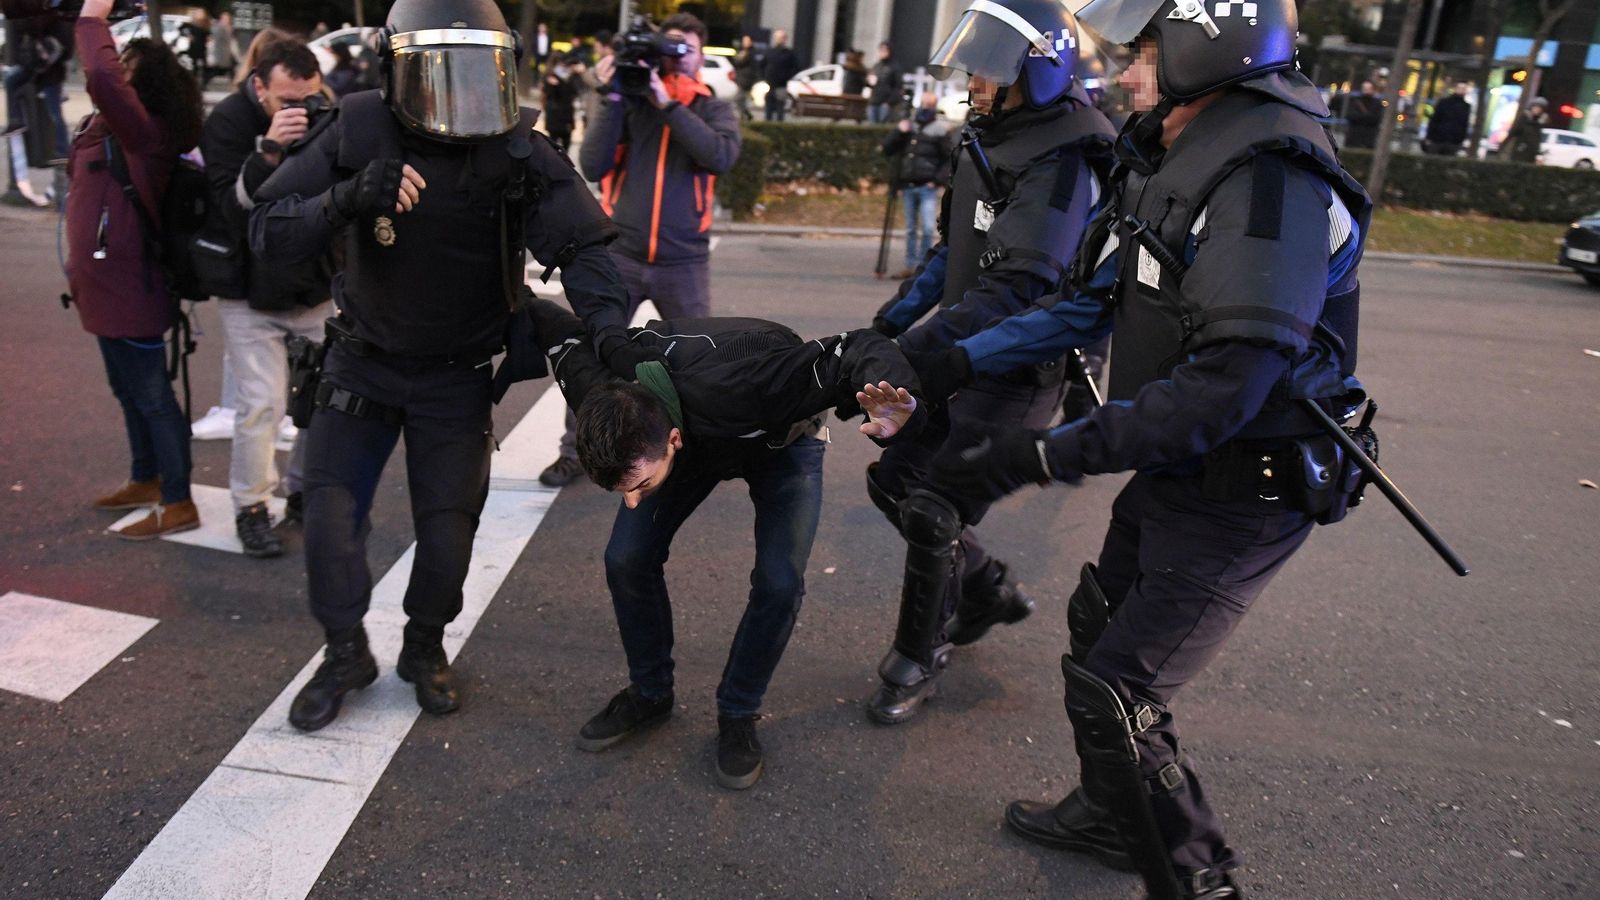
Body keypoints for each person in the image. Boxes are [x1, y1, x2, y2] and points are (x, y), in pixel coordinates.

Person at [922, 1, 1373, 896]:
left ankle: (1198, 880)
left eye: (1145, 55)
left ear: (1211, 52)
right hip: (1183, 461)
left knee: (1119, 691)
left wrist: (1047, 454)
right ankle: (1108, 814)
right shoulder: (1176, 149)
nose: (1125, 74)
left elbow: (1224, 389)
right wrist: (938, 357)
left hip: (1252, 480)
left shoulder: (1273, 178)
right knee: (1098, 625)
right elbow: (1088, 303)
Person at [248, 0, 633, 732]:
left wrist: (611, 335)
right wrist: (347, 198)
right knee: (329, 525)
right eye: (436, 72)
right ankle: (344, 653)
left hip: (456, 372)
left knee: (449, 533)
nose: (458, 96)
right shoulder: (359, 124)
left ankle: (424, 647)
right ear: (398, 65)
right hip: (361, 364)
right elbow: (270, 228)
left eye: (477, 72)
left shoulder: (517, 145)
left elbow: (583, 248)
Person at [518, 294, 926, 790]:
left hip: (778, 440)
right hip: (685, 435)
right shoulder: (598, 392)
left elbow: (858, 346)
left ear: (672, 441)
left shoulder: (753, 382)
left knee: (779, 582)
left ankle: (738, 711)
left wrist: (896, 396)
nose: (632, 502)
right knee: (626, 556)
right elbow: (552, 319)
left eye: (639, 488)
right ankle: (650, 694)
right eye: (622, 491)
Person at [857, 0, 1116, 726]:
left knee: (934, 501)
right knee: (894, 484)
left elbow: (1019, 289)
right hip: (956, 357)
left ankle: (917, 655)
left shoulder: (1066, 158)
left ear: (1033, 72)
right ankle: (985, 589)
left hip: (1016, 369)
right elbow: (955, 256)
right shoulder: (991, 137)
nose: (972, 79)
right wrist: (889, 324)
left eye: (988, 66)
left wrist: (912, 354)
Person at [539, 12, 740, 487]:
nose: (676, 58)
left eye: (685, 49)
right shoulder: (628, 103)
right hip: (622, 254)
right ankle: (577, 452)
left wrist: (670, 105)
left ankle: (694, 454)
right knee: (593, 355)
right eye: (668, 48)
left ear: (700, 55)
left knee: (699, 362)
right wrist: (610, 96)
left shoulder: (711, 107)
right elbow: (592, 161)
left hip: (685, 260)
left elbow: (720, 156)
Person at [65, 0, 205, 539]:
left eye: (129, 68)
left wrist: (92, 18)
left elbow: (99, 74)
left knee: (150, 393)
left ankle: (178, 500)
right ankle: (146, 477)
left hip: (133, 287)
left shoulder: (146, 132)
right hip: (101, 287)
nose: (116, 68)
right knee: (126, 389)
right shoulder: (112, 129)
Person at [199, 38, 335, 558]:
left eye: (309, 98)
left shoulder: (330, 113)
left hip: (314, 284)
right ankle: (251, 508)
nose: (299, 111)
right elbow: (232, 207)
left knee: (323, 400)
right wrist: (270, 148)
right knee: (261, 405)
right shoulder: (231, 121)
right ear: (259, 87)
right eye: (286, 101)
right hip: (249, 288)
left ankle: (302, 490)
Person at [882, 91, 956, 280]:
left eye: (929, 104)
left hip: (927, 186)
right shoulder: (910, 126)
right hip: (908, 184)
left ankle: (924, 264)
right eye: (923, 103)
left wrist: (937, 180)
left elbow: (949, 158)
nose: (925, 107)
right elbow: (888, 149)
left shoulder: (939, 130)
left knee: (928, 228)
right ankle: (910, 264)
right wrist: (899, 131)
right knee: (910, 228)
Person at [541, 52, 579, 155]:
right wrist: (552, 85)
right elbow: (547, 95)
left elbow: (574, 92)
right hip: (555, 114)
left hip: (566, 113)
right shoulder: (549, 77)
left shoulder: (568, 76)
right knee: (553, 142)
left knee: (566, 141)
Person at [761, 29, 800, 122]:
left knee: (780, 108)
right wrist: (764, 77)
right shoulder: (769, 51)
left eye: (781, 38)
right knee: (768, 108)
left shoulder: (789, 53)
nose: (779, 40)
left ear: (785, 39)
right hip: (769, 84)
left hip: (781, 85)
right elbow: (762, 65)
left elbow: (796, 68)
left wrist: (786, 77)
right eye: (777, 38)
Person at [1424, 81, 1471, 156]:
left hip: (1453, 141)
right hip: (1438, 139)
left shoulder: (1466, 106)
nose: (1461, 90)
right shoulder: (1444, 103)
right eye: (1460, 88)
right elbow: (1435, 120)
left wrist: (1460, 139)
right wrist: (1430, 136)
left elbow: (1464, 124)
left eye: (1463, 88)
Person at [1504, 96, 1548, 164]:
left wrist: (1537, 151)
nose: (1537, 109)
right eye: (1536, 107)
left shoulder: (1540, 122)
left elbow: (1537, 138)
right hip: (1520, 151)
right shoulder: (1525, 118)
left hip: (1531, 154)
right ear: (1532, 107)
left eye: (1540, 108)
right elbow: (1514, 132)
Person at [1340, 80, 1382, 149]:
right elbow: (1350, 115)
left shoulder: (1377, 103)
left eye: (1368, 89)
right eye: (1365, 88)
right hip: (1354, 136)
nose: (1366, 91)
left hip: (1368, 137)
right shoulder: (1355, 101)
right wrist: (1367, 117)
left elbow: (1377, 118)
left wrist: (1361, 117)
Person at [868, 41, 901, 124]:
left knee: (882, 125)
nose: (882, 52)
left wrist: (889, 102)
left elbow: (898, 86)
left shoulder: (894, 67)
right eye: (881, 50)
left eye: (884, 50)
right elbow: (870, 81)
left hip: (885, 102)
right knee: (872, 125)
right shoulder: (877, 65)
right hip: (874, 100)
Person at [208, 10, 240, 89]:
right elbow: (215, 40)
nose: (227, 20)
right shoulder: (218, 28)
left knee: (232, 70)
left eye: (228, 19)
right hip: (221, 54)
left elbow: (232, 41)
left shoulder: (230, 28)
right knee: (215, 70)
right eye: (225, 19)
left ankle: (235, 84)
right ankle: (205, 82)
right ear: (221, 19)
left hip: (228, 53)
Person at [732, 35, 759, 122]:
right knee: (741, 99)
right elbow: (736, 62)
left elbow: (740, 62)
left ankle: (746, 115)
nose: (745, 43)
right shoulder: (742, 51)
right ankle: (744, 116)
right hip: (742, 78)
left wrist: (740, 57)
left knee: (738, 98)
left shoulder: (750, 53)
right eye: (744, 41)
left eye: (747, 41)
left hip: (746, 79)